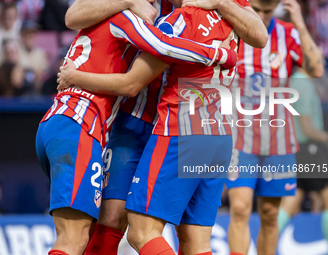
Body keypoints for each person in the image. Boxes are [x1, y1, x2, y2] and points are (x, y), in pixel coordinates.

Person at [63, 0, 268, 254]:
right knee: (114, 219)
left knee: (146, 230)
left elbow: (259, 35)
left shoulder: (188, 16)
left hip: (173, 126)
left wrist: (74, 77)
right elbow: (72, 17)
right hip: (142, 125)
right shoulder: (192, 16)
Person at [225, 0, 324, 254]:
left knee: (270, 213)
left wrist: (299, 22)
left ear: (276, 10)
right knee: (240, 208)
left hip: (278, 139)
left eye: (267, 12)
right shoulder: (232, 28)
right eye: (256, 10)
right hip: (240, 136)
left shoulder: (288, 33)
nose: (260, 16)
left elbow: (316, 69)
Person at [278, 67, 328, 242]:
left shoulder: (294, 81)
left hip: (296, 149)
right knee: (326, 197)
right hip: (309, 149)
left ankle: (266, 242)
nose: (320, 61)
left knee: (293, 198)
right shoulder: (303, 84)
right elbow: (307, 128)